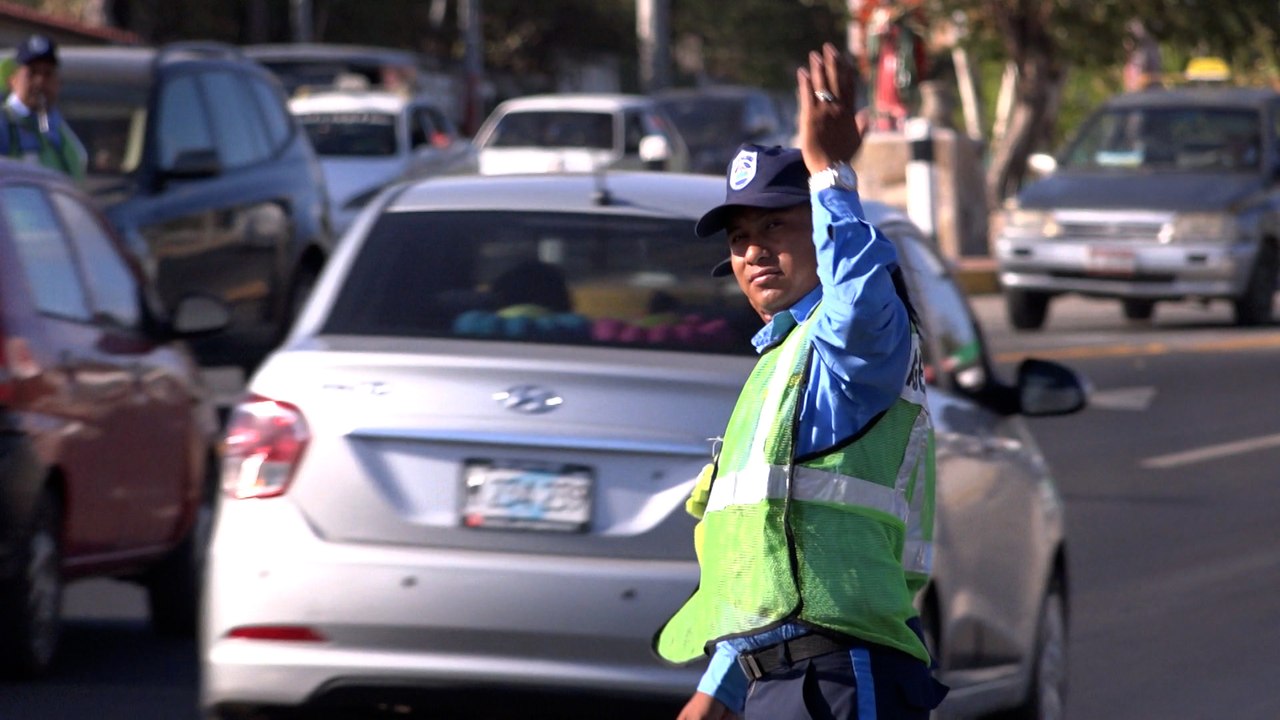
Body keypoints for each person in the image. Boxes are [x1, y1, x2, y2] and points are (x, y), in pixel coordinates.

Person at [654, 43, 947, 719]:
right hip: (778, 684)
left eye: (775, 225)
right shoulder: (772, 370)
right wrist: (719, 690)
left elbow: (855, 304)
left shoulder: (856, 344)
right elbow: (768, 559)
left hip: (848, 676)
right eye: (738, 237)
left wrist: (832, 174)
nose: (753, 249)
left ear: (820, 230)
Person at [1, 34, 86, 179]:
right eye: (32, 73)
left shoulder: (59, 132)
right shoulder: (4, 124)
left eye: (48, 74)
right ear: (13, 80)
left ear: (58, 82)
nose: (40, 81)